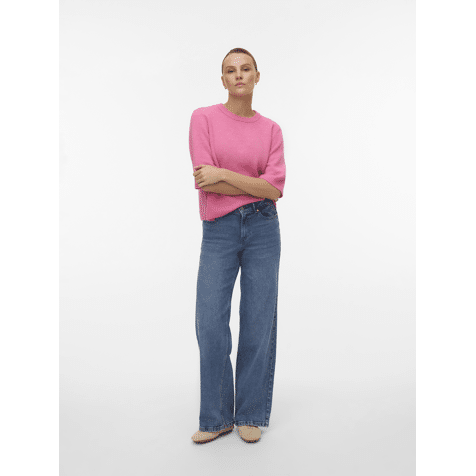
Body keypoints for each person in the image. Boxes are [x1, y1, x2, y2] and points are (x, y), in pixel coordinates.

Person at [189, 48, 286, 444]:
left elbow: (274, 189)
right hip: (219, 229)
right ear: (223, 79)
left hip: (263, 227)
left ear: (257, 76)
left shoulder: (271, 129)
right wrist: (252, 184)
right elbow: (203, 179)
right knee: (210, 322)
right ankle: (215, 418)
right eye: (231, 70)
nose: (239, 75)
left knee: (258, 321)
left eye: (246, 69)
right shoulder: (203, 118)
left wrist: (224, 175)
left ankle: (249, 413)